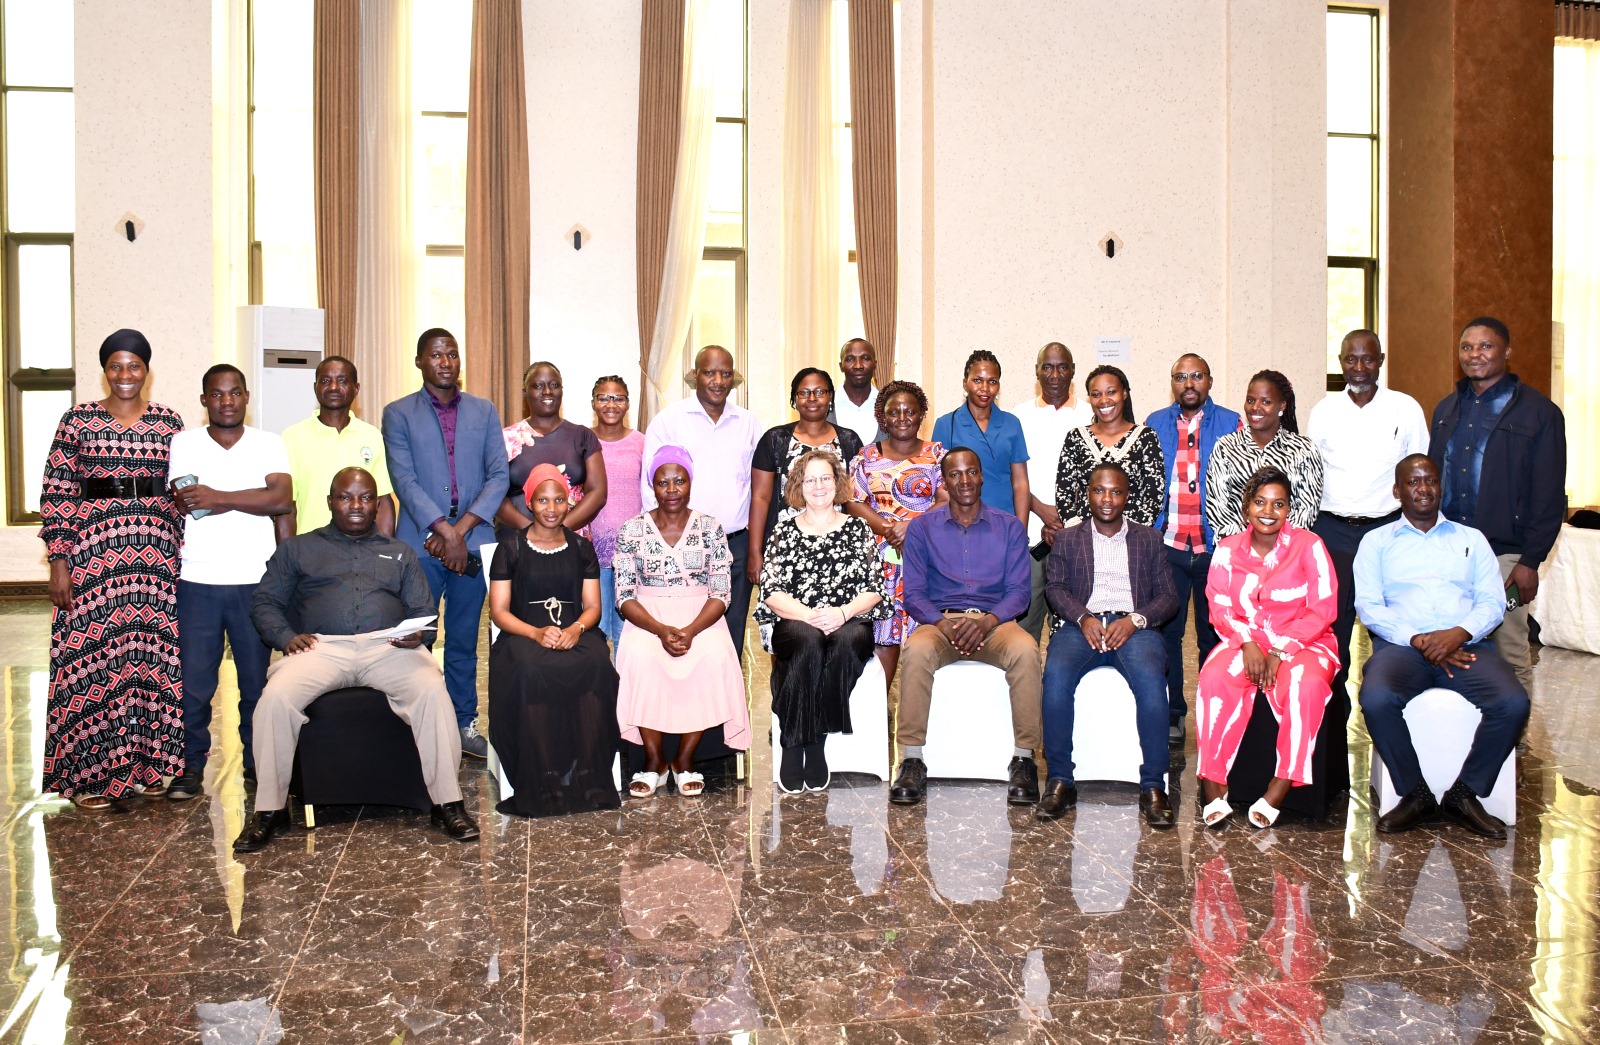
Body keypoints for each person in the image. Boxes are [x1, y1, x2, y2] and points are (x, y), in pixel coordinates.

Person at [235, 467, 477, 852]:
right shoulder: (298, 549)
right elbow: (265, 602)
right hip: (320, 647)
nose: (356, 505)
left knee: (432, 690)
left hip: (389, 648)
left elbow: (424, 609)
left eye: (365, 497)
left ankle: (447, 803)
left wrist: (421, 634)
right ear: (331, 501)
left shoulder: (399, 552)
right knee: (276, 699)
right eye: (346, 496)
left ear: (376, 503)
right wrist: (284, 636)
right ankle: (270, 811)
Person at [39, 329, 185, 810]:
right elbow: (57, 494)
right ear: (105, 370)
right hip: (93, 556)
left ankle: (145, 767)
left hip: (154, 557)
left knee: (147, 659)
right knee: (93, 662)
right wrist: (60, 562)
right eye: (116, 366)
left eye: (134, 366)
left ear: (147, 369)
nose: (126, 375)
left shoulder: (169, 422)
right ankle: (87, 777)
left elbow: (184, 491)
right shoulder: (78, 419)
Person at [1355, 455, 1529, 840]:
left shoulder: (1472, 539)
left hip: (1466, 647)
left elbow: (1492, 602)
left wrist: (1458, 634)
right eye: (1413, 482)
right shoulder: (1376, 543)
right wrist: (1419, 639)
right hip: (1402, 647)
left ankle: (1464, 794)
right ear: (1397, 491)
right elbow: (1369, 606)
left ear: (1441, 487)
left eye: (1430, 481)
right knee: (1377, 698)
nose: (1423, 489)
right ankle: (1415, 794)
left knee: (1513, 702)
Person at [165, 364, 293, 801]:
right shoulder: (183, 444)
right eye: (216, 394)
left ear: (246, 397)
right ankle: (189, 767)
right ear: (204, 400)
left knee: (256, 684)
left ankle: (259, 764)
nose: (226, 401)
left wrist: (218, 496)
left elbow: (279, 499)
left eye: (234, 393)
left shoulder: (269, 443)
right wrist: (249, 499)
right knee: (196, 683)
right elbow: (189, 502)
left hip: (254, 581)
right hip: (197, 578)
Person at [1305, 330, 1429, 777]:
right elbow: (1310, 474)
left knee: (1389, 630)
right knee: (1331, 632)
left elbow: (1419, 470)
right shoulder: (1324, 411)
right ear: (1340, 361)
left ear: (1381, 360)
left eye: (1367, 359)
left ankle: (1389, 736)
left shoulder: (1405, 408)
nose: (1359, 368)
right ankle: (1330, 742)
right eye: (1350, 360)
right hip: (1333, 530)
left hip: (1386, 531)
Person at [888, 448, 1041, 808]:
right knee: (916, 651)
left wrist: (987, 621)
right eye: (955, 475)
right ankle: (912, 759)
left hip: (996, 621)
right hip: (941, 622)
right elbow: (914, 595)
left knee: (1026, 651)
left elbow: (1020, 593)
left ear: (982, 476)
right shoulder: (923, 529)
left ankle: (1024, 759)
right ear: (944, 481)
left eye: (970, 472)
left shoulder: (1009, 527)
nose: (964, 481)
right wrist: (943, 623)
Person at [382, 328, 509, 759]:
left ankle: (463, 723)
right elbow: (404, 479)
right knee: (416, 636)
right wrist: (442, 530)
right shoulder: (397, 413)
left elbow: (498, 476)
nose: (446, 362)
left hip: (473, 546)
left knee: (462, 639)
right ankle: (415, 723)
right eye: (436, 355)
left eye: (452, 354)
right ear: (420, 362)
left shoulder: (484, 410)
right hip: (421, 545)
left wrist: (461, 532)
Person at [1195, 467, 1339, 829]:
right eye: (1260, 502)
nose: (1268, 511)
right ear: (1247, 507)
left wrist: (1279, 651)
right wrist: (1247, 643)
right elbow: (1219, 605)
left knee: (1303, 685)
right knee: (1214, 678)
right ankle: (1213, 785)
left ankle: (1281, 784)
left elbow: (1323, 608)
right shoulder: (1227, 550)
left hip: (1306, 643)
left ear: (1289, 509)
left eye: (1278, 504)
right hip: (1243, 639)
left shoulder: (1309, 546)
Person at [1428, 316, 1567, 690]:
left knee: (1509, 652)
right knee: (1451, 644)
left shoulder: (1540, 414)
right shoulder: (1446, 410)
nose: (1475, 354)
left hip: (1505, 556)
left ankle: (1514, 744)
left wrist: (1530, 560)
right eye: (1467, 347)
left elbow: (1549, 495)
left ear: (1507, 351)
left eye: (1486, 346)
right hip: (1450, 550)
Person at [1038, 462, 1180, 826]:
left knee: (1152, 685)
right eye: (1100, 490)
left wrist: (1135, 621)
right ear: (1088, 495)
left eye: (1116, 491)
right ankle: (1059, 779)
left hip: (1133, 627)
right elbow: (1055, 589)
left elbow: (1168, 597)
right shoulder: (1069, 538)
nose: (1107, 498)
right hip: (1080, 625)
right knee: (1054, 679)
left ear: (1126, 496)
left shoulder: (1149, 538)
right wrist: (1083, 617)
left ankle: (1153, 785)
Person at [614, 445, 750, 799]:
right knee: (640, 657)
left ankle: (685, 760)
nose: (671, 489)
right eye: (663, 482)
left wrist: (689, 631)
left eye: (679, 481)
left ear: (690, 483)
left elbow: (721, 592)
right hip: (648, 618)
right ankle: (655, 761)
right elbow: (624, 594)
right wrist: (660, 631)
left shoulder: (710, 528)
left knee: (715, 655)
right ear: (652, 486)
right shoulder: (631, 530)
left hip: (700, 617)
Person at [487, 464, 621, 817]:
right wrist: (534, 632)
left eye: (559, 499)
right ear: (529, 503)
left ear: (569, 503)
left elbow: (593, 606)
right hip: (522, 634)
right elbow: (499, 612)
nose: (551, 507)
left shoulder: (581, 548)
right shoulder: (510, 548)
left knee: (596, 665)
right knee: (531, 669)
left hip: (574, 631)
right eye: (542, 500)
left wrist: (576, 629)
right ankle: (543, 776)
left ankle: (590, 772)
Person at [755, 450, 887, 793]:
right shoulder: (784, 530)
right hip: (796, 621)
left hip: (849, 620)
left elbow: (874, 589)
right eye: (810, 479)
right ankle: (800, 744)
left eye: (825, 478)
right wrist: (810, 615)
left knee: (844, 642)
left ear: (837, 483)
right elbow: (771, 590)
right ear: (799, 485)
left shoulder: (857, 528)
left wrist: (841, 613)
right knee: (808, 641)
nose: (818, 486)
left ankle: (807, 739)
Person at [640, 345, 762, 660]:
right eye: (710, 372)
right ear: (695, 375)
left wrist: (755, 547)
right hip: (679, 545)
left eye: (725, 373)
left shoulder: (749, 424)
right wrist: (658, 543)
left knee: (729, 638)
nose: (718, 380)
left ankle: (722, 704)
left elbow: (758, 487)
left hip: (734, 544)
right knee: (680, 631)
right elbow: (649, 484)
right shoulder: (669, 421)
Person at [1146, 353, 1241, 746]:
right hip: (1167, 542)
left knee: (1212, 634)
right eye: (1181, 377)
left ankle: (1213, 709)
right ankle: (1173, 712)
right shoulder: (1155, 423)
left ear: (1210, 380)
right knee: (1167, 632)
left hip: (1213, 545)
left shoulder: (1232, 422)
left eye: (1196, 376)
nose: (1189, 383)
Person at [844, 381, 948, 684]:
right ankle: (879, 710)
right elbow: (852, 501)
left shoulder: (937, 455)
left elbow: (947, 500)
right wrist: (890, 529)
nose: (902, 417)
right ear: (883, 417)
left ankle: (921, 717)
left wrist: (909, 528)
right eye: (894, 412)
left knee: (926, 640)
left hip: (925, 558)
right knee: (883, 639)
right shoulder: (866, 457)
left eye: (910, 411)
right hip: (878, 563)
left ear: (921, 416)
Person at [747, 367, 863, 586]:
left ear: (830, 396)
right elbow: (760, 498)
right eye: (804, 392)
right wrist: (755, 551)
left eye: (820, 392)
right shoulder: (775, 439)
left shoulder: (849, 440)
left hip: (838, 548)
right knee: (785, 616)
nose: (812, 398)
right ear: (794, 399)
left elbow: (856, 498)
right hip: (785, 547)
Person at [1011, 342, 1092, 642]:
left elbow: (1096, 476)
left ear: (1072, 371)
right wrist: (1042, 510)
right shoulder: (1017, 416)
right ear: (1037, 372)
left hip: (1078, 540)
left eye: (1062, 367)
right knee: (1022, 632)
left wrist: (1066, 521)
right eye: (1047, 366)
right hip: (1030, 537)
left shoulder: (1090, 415)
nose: (1055, 374)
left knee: (1072, 632)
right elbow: (1011, 473)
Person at [281, 355, 396, 536]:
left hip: (362, 552)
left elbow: (383, 502)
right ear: (315, 388)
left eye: (342, 381)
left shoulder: (371, 435)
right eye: (325, 381)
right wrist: (288, 558)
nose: (333, 387)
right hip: (310, 551)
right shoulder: (292, 437)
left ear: (356, 388)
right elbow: (287, 508)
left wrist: (386, 555)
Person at [495, 361, 607, 543]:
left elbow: (598, 492)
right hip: (517, 541)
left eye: (554, 385)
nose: (547, 391)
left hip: (570, 540)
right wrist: (531, 531)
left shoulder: (583, 436)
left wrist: (560, 531)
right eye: (538, 385)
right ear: (525, 392)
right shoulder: (505, 439)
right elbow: (492, 494)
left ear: (561, 390)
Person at [1204, 370, 1323, 539]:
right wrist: (1249, 546)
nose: (1255, 407)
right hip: (1237, 550)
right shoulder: (1225, 447)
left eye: (1266, 401)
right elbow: (1218, 507)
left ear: (1281, 406)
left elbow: (1306, 509)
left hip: (1288, 552)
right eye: (1250, 400)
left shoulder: (1304, 450)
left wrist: (1277, 546)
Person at [1053, 364, 1166, 527]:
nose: (1104, 400)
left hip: (1132, 541)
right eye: (1096, 394)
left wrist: (1130, 535)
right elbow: (1064, 495)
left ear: (1125, 393)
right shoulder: (1075, 438)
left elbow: (1154, 497)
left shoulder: (1146, 437)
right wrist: (1078, 534)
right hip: (1084, 541)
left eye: (1111, 392)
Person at [930, 350, 1030, 520]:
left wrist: (1020, 529)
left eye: (992, 381)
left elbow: (1020, 483)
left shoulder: (1012, 423)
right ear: (965, 383)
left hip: (1005, 521)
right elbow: (940, 484)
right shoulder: (946, 424)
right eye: (978, 380)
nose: (985, 388)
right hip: (960, 523)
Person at [589, 375, 645, 655]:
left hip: (630, 552)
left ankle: (625, 696)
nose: (611, 404)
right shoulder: (582, 441)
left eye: (618, 398)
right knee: (595, 629)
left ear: (627, 404)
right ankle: (599, 696)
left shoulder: (641, 443)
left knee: (627, 631)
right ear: (593, 403)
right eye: (603, 397)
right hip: (590, 551)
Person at [828, 337, 884, 445]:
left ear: (875, 364)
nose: (858, 366)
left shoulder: (888, 405)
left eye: (865, 358)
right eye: (850, 359)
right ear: (841, 366)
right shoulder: (825, 406)